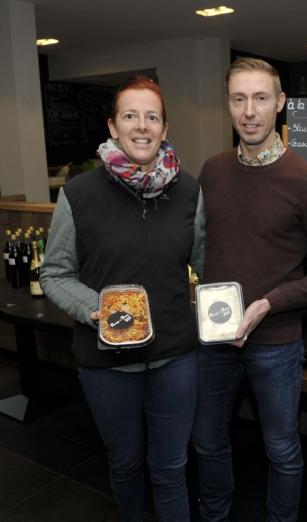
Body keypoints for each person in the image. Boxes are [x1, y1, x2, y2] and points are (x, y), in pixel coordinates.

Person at [192, 57, 307, 522]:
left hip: (275, 342)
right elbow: (204, 245)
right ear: (228, 104)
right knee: (207, 440)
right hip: (215, 339)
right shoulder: (213, 170)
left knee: (281, 449)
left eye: (261, 98)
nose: (250, 110)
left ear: (280, 103)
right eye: (239, 98)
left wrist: (269, 303)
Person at [40, 76, 205, 521]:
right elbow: (54, 273)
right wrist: (91, 309)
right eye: (130, 115)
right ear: (113, 126)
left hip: (176, 358)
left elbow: (208, 268)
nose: (141, 125)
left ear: (164, 128)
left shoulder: (189, 190)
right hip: (106, 364)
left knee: (171, 469)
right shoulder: (78, 194)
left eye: (151, 116)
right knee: (126, 465)